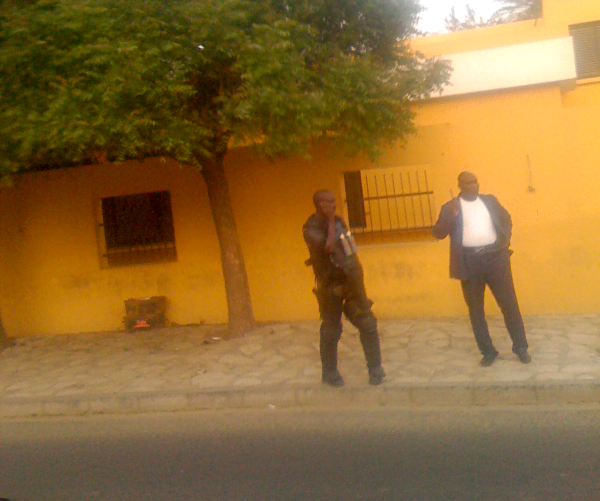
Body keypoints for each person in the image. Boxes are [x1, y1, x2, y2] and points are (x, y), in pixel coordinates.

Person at [432, 172, 531, 367]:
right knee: (476, 310)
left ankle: (521, 348)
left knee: (509, 304)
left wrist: (504, 242)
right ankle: (488, 352)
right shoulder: (451, 207)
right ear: (460, 186)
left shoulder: (489, 201)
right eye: (467, 184)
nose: (472, 186)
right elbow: (438, 233)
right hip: (469, 262)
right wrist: (451, 217)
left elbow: (506, 218)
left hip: (496, 259)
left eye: (474, 182)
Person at [303, 190, 385, 386]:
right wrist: (330, 221)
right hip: (329, 285)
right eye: (329, 202)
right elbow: (328, 247)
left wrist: (357, 280)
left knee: (368, 324)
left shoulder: (339, 222)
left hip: (351, 281)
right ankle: (329, 373)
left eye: (333, 201)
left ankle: (376, 369)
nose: (333, 205)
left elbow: (350, 250)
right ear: (320, 204)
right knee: (331, 330)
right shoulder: (310, 228)